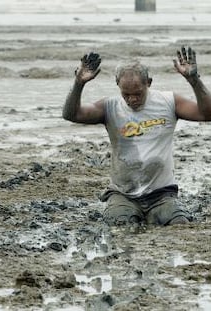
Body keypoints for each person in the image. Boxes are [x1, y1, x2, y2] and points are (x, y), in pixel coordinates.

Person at [62, 46, 211, 226]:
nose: (132, 99)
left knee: (180, 223)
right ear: (118, 85)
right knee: (121, 225)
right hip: (123, 194)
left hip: (161, 194)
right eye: (126, 94)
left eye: (138, 93)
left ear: (148, 82)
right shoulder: (109, 107)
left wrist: (194, 80)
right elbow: (71, 114)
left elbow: (206, 114)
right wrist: (79, 84)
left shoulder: (169, 102)